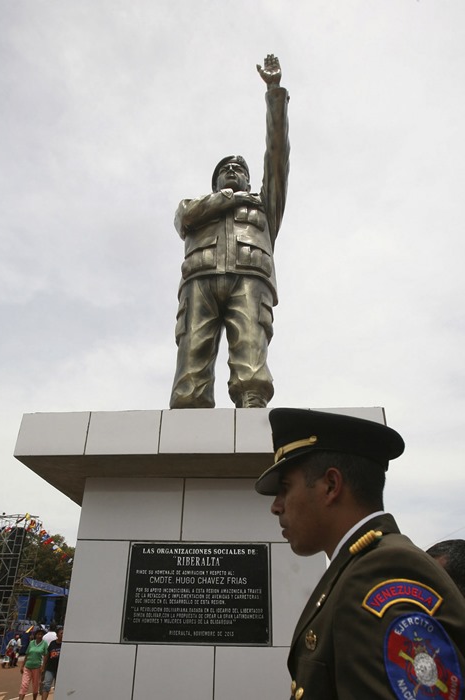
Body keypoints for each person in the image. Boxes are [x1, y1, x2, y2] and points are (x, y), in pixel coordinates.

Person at [255, 408, 465, 699]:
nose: (276, 506)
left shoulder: (381, 573)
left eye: (286, 488)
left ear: (331, 485)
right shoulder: (357, 569)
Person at [169, 54, 290, 409]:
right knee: (191, 361)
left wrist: (274, 95)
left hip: (249, 279)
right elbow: (184, 218)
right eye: (226, 170)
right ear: (216, 181)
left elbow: (277, 157)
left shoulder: (265, 206)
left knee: (251, 358)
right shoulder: (196, 206)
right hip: (200, 281)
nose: (234, 172)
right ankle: (189, 417)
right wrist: (225, 198)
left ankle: (251, 404)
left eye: (239, 169)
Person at [18, 628, 48, 700]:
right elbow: (27, 654)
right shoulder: (31, 643)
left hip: (37, 667)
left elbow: (46, 655)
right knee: (24, 684)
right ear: (36, 635)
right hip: (27, 666)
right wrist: (22, 665)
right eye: (38, 634)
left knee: (35, 685)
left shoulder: (44, 643)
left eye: (41, 634)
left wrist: (43, 666)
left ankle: (34, 698)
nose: (40, 636)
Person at [41, 627, 62, 700]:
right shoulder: (53, 643)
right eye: (61, 633)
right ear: (57, 634)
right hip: (50, 668)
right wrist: (43, 666)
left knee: (58, 687)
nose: (62, 635)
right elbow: (47, 655)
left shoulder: (65, 645)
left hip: (60, 670)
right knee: (46, 685)